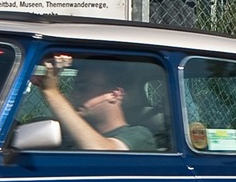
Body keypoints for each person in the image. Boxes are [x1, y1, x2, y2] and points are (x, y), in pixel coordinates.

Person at [29, 55, 159, 151]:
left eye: (83, 88)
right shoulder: (67, 134)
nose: (74, 94)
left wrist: (51, 92)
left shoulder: (139, 135)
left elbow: (103, 153)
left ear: (115, 94)